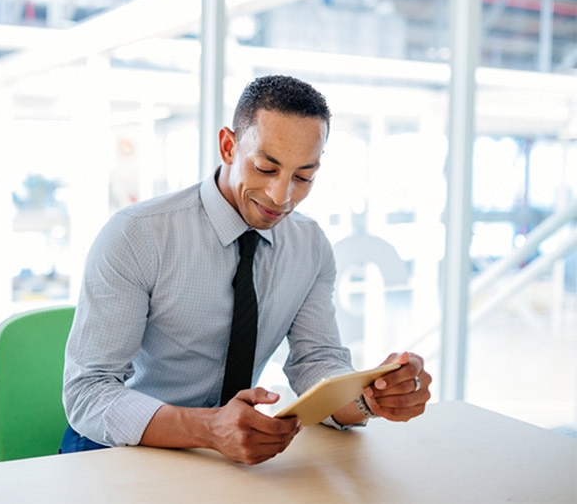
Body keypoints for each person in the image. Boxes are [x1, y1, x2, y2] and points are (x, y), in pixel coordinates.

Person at [61, 75, 432, 465]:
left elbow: (315, 362)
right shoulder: (138, 235)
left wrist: (370, 397)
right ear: (228, 146)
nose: (282, 196)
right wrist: (207, 428)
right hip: (116, 450)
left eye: (303, 177)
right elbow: (89, 393)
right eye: (265, 168)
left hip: (227, 457)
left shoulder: (309, 246)